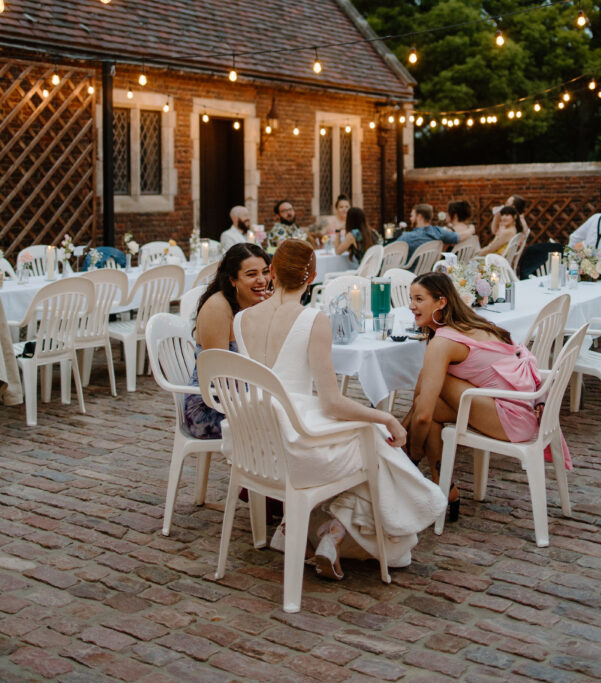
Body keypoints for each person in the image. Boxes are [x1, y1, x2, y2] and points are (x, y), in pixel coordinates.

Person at [233, 239, 446, 578]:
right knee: (374, 437)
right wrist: (388, 416)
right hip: (294, 444)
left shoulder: (241, 318)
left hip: (255, 442)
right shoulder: (313, 319)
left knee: (369, 435)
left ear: (271, 272)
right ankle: (344, 534)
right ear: (313, 275)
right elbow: (332, 403)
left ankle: (315, 532)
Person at [404, 272, 552, 521]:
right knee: (427, 396)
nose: (411, 306)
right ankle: (444, 487)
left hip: (515, 418)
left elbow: (422, 416)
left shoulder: (443, 342)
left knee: (428, 397)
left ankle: (408, 470)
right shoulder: (472, 324)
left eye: (419, 299)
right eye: (410, 298)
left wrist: (412, 458)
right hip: (522, 407)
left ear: (441, 302)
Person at [184, 243, 271, 438]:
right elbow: (220, 377)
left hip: (244, 396)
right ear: (232, 279)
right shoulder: (218, 308)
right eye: (251, 274)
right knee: (282, 421)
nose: (262, 280)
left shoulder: (253, 303)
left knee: (295, 407)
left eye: (265, 272)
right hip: (210, 407)